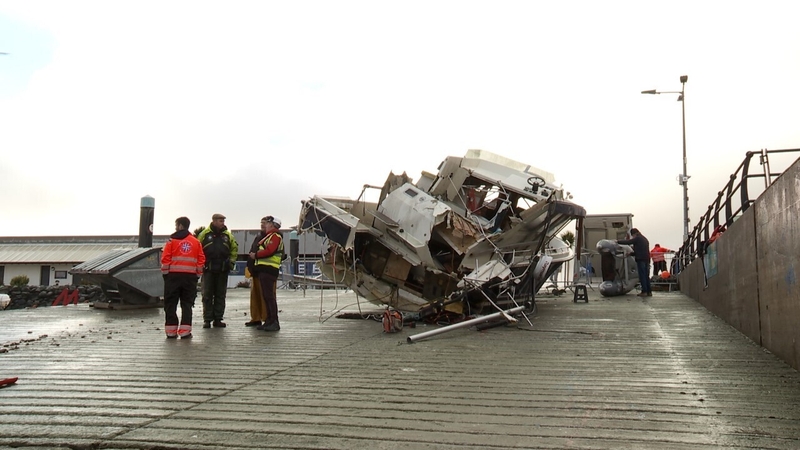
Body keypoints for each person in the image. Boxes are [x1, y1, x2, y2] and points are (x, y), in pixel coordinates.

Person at [161, 216, 205, 339]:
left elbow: (165, 258)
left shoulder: (171, 241)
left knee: (170, 304)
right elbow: (201, 259)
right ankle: (185, 332)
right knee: (187, 304)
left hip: (173, 277)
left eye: (176, 225)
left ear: (180, 226)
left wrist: (165, 274)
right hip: (190, 278)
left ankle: (171, 331)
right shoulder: (196, 242)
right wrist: (197, 275)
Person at [197, 213, 239, 329]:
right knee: (207, 295)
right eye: (220, 221)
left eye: (223, 221)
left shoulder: (227, 235)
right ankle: (207, 319)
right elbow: (198, 249)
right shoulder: (204, 234)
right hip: (208, 269)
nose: (223, 223)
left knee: (220, 295)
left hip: (222, 269)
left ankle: (218, 319)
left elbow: (234, 249)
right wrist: (200, 265)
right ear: (214, 221)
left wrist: (231, 262)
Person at [249, 216, 284, 332]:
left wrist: (256, 255)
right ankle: (269, 320)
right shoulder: (270, 236)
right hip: (264, 269)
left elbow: (270, 250)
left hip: (269, 269)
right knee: (266, 296)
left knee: (269, 297)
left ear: (273, 225)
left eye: (268, 223)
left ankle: (274, 321)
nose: (266, 225)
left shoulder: (275, 236)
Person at [244, 218, 268, 327]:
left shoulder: (272, 237)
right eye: (261, 223)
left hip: (265, 271)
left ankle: (267, 318)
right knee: (255, 296)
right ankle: (256, 317)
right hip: (255, 271)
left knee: (265, 296)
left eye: (265, 223)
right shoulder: (258, 236)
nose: (262, 225)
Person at [617, 228, 651, 297]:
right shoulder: (644, 239)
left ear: (634, 234)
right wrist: (631, 254)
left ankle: (644, 291)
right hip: (646, 259)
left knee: (642, 276)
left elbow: (628, 242)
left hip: (641, 259)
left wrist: (617, 241)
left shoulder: (638, 238)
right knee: (646, 276)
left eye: (632, 235)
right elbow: (640, 250)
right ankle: (649, 291)